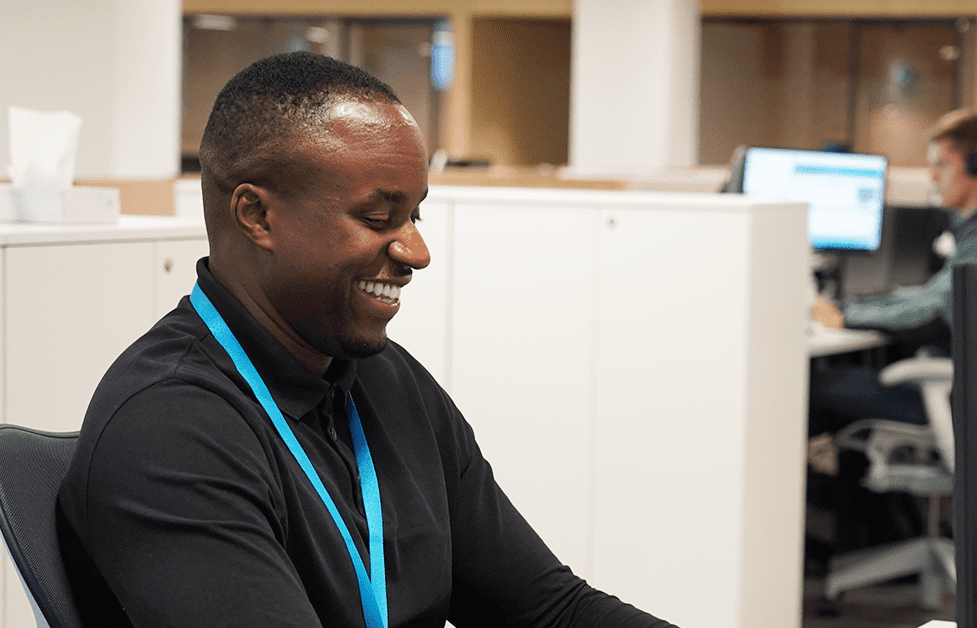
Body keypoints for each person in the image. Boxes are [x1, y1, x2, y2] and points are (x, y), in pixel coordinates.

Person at [57, 51, 676, 628]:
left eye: (416, 216)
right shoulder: (171, 430)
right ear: (257, 217)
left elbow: (548, 611)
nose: (417, 252)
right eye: (379, 219)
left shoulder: (387, 381)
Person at [803, 110, 977, 564]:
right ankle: (861, 544)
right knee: (844, 380)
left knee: (815, 390)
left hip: (958, 397)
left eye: (942, 164)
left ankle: (810, 552)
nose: (932, 175)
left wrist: (847, 314)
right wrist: (859, 309)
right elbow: (932, 296)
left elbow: (932, 307)